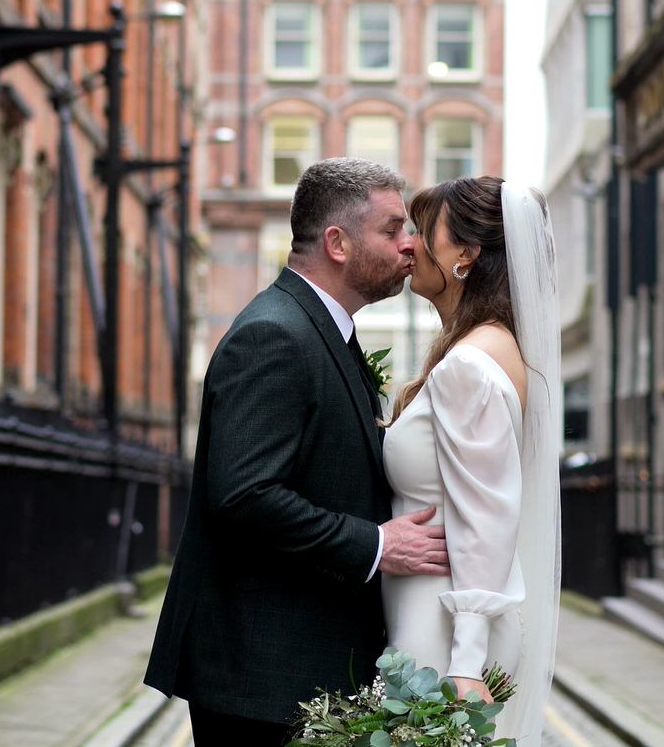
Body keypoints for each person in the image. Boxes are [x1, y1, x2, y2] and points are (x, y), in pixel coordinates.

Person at [145, 158, 451, 746]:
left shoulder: (322, 328)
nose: (410, 245)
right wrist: (378, 543)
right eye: (392, 230)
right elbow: (244, 495)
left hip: (297, 670)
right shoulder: (275, 335)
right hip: (260, 676)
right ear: (338, 242)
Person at [383, 176, 562, 747]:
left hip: (444, 632)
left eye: (421, 230)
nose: (408, 244)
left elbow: (487, 516)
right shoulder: (494, 346)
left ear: (466, 254)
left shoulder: (471, 365)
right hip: (442, 618)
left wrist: (465, 663)